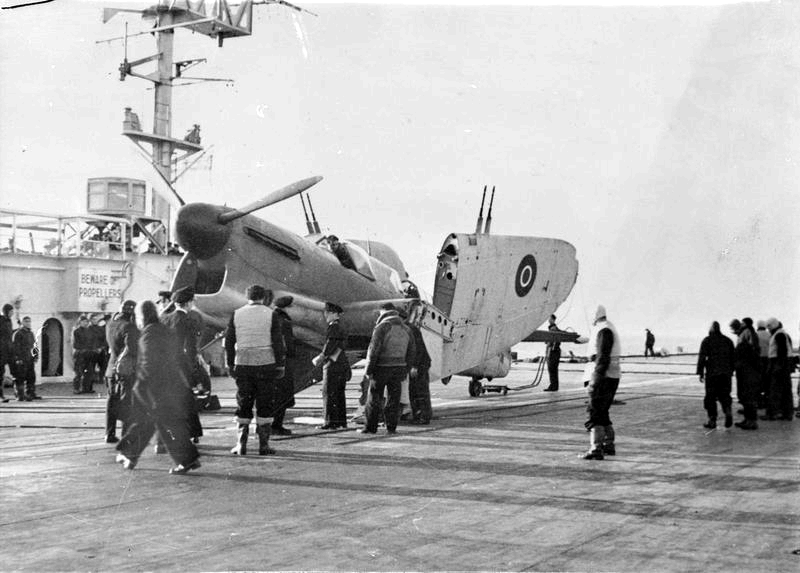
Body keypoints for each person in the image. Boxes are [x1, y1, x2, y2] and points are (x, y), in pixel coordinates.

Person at [114, 301, 200, 474]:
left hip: (154, 387)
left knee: (160, 422)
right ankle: (129, 454)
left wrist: (141, 385)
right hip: (171, 385)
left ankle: (186, 460)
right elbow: (180, 356)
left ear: (142, 317)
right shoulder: (165, 331)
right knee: (157, 421)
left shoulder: (148, 334)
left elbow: (148, 363)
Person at [224, 285, 286, 455]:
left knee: (244, 402)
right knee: (265, 403)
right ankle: (263, 445)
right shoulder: (271, 314)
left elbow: (229, 342)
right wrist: (280, 364)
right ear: (263, 297)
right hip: (266, 365)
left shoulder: (236, 314)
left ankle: (241, 444)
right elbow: (278, 342)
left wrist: (229, 364)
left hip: (243, 365)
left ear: (247, 297)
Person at [361, 303, 416, 435]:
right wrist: (406, 369)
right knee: (394, 399)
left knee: (374, 397)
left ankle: (370, 427)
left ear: (383, 311)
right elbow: (412, 351)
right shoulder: (406, 329)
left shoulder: (382, 327)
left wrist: (368, 370)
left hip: (381, 368)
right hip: (399, 369)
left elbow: (373, 350)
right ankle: (391, 427)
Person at [161, 286, 203, 442]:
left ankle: (165, 437)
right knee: (187, 400)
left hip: (163, 366)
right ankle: (191, 433)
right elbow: (190, 349)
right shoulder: (187, 320)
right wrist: (194, 372)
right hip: (180, 366)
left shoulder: (164, 318)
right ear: (189, 303)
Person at [581, 305, 621, 460]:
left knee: (595, 411)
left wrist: (596, 378)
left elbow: (603, 356)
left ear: (595, 316)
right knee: (603, 411)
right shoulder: (609, 327)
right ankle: (608, 444)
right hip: (612, 375)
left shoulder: (603, 330)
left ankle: (596, 448)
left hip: (603, 375)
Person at [104, 300, 139, 444]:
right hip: (126, 369)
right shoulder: (129, 327)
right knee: (127, 402)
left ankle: (109, 433)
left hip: (111, 367)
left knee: (112, 400)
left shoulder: (110, 324)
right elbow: (132, 349)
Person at [313, 302, 351, 429]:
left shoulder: (333, 327)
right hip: (341, 363)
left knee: (329, 392)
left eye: (327, 313)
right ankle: (340, 421)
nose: (325, 315)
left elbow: (330, 344)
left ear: (334, 314)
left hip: (332, 364)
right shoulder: (342, 326)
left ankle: (330, 422)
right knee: (339, 393)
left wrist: (321, 357)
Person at [696, 321, 735, 429]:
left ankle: (712, 420)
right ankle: (727, 411)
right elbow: (733, 357)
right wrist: (731, 371)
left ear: (712, 329)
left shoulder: (707, 340)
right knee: (725, 395)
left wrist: (700, 372)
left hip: (712, 374)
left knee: (710, 397)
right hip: (725, 374)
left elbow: (702, 357)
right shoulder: (728, 340)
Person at [271, 296, 297, 435]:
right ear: (287, 307)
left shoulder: (274, 317)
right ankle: (276, 426)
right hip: (283, 362)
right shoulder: (283, 320)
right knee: (282, 395)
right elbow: (284, 343)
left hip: (275, 361)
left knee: (276, 395)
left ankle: (271, 425)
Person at [761, 318, 794, 421]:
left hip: (778, 363)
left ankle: (772, 413)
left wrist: (777, 367)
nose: (768, 329)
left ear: (773, 325)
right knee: (786, 390)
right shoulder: (782, 334)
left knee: (774, 390)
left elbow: (782, 352)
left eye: (769, 326)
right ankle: (787, 413)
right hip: (784, 364)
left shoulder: (778, 335)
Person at [729, 319, 759, 430]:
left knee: (748, 395)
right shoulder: (747, 333)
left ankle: (751, 421)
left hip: (746, 369)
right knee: (746, 395)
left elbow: (751, 349)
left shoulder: (747, 334)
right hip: (746, 369)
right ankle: (748, 419)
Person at [407, 312, 432, 424]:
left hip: (420, 364)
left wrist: (415, 366)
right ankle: (419, 415)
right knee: (415, 390)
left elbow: (418, 349)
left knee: (419, 391)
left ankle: (423, 416)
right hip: (420, 363)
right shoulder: (410, 328)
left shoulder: (410, 329)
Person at [12, 316, 40, 401]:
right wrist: (17, 358)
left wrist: (36, 356)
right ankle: (20, 395)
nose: (28, 323)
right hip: (22, 359)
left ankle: (30, 393)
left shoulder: (30, 333)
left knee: (31, 377)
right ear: (23, 323)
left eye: (29, 321)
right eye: (26, 321)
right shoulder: (18, 333)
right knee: (20, 378)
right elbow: (15, 347)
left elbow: (34, 345)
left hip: (30, 359)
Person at [71, 315, 93, 394]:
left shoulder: (89, 331)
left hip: (88, 353)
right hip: (79, 353)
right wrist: (83, 349)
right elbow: (75, 344)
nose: (85, 323)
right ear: (80, 322)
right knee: (78, 372)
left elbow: (91, 342)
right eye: (83, 321)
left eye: (86, 321)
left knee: (89, 372)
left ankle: (86, 388)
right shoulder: (76, 331)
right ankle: (76, 388)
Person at [87, 313, 109, 394]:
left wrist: (101, 347)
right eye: (93, 319)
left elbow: (105, 339)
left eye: (96, 319)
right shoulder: (88, 329)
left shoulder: (101, 329)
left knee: (103, 366)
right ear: (90, 320)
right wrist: (93, 348)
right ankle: (89, 385)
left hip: (101, 350)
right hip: (91, 351)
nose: (95, 321)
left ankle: (101, 379)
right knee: (90, 368)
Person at [0, 303, 14, 402]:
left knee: (2, 374)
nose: (12, 313)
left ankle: (1, 395)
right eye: (11, 311)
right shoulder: (1, 320)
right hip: (1, 351)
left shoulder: (9, 321)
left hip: (6, 352)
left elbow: (8, 335)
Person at [755, 320, 771, 409]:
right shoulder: (769, 335)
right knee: (767, 381)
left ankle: (759, 402)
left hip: (758, 360)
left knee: (758, 382)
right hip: (768, 359)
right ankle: (767, 401)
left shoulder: (755, 335)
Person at [544, 314, 561, 391]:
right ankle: (554, 386)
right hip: (553, 352)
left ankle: (553, 386)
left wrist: (551, 350)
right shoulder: (554, 328)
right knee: (553, 370)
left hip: (552, 353)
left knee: (552, 370)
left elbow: (555, 342)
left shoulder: (553, 329)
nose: (549, 320)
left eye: (550, 319)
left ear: (553, 320)